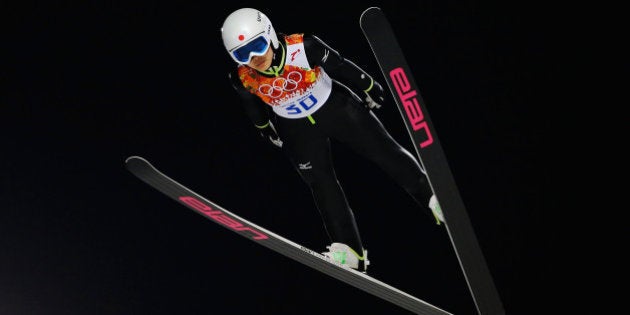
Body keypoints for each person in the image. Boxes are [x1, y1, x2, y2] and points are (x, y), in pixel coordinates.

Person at [221, 8, 443, 273]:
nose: (253, 58)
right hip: (296, 129)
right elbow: (252, 105)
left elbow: (338, 64)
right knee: (321, 184)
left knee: (384, 152)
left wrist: (369, 85)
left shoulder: (302, 47)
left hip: (336, 108)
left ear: (268, 35)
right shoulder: (241, 77)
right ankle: (349, 250)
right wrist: (263, 127)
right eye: (241, 54)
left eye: (256, 46)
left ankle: (432, 198)